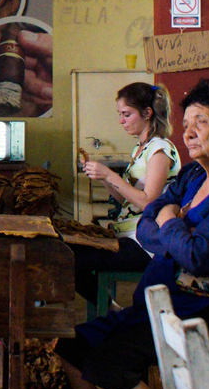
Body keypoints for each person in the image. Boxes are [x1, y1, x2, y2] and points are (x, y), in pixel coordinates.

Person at [57, 81, 209, 389]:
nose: (188, 133)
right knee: (70, 346)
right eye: (186, 124)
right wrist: (176, 231)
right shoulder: (193, 176)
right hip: (161, 308)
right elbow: (147, 228)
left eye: (201, 122)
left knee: (106, 364)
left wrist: (168, 219)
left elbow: (199, 258)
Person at [74, 83, 180, 302]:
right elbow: (126, 200)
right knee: (66, 251)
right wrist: (103, 177)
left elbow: (148, 202)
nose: (121, 120)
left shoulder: (160, 149)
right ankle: (110, 308)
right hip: (127, 233)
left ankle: (110, 310)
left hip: (145, 243)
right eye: (120, 114)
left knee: (70, 257)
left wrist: (110, 175)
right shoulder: (140, 149)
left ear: (147, 113)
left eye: (126, 114)